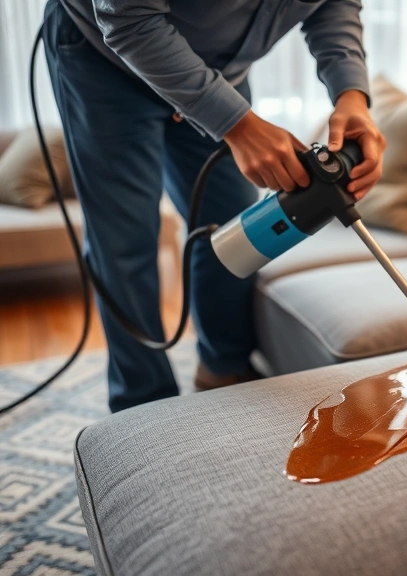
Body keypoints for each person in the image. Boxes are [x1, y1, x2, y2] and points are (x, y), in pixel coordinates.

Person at [42, 0, 386, 412]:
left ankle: (224, 367)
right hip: (106, 61)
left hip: (220, 73)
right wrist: (238, 126)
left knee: (236, 227)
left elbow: (332, 3)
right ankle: (144, 410)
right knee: (123, 245)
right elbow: (127, 16)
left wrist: (352, 95)